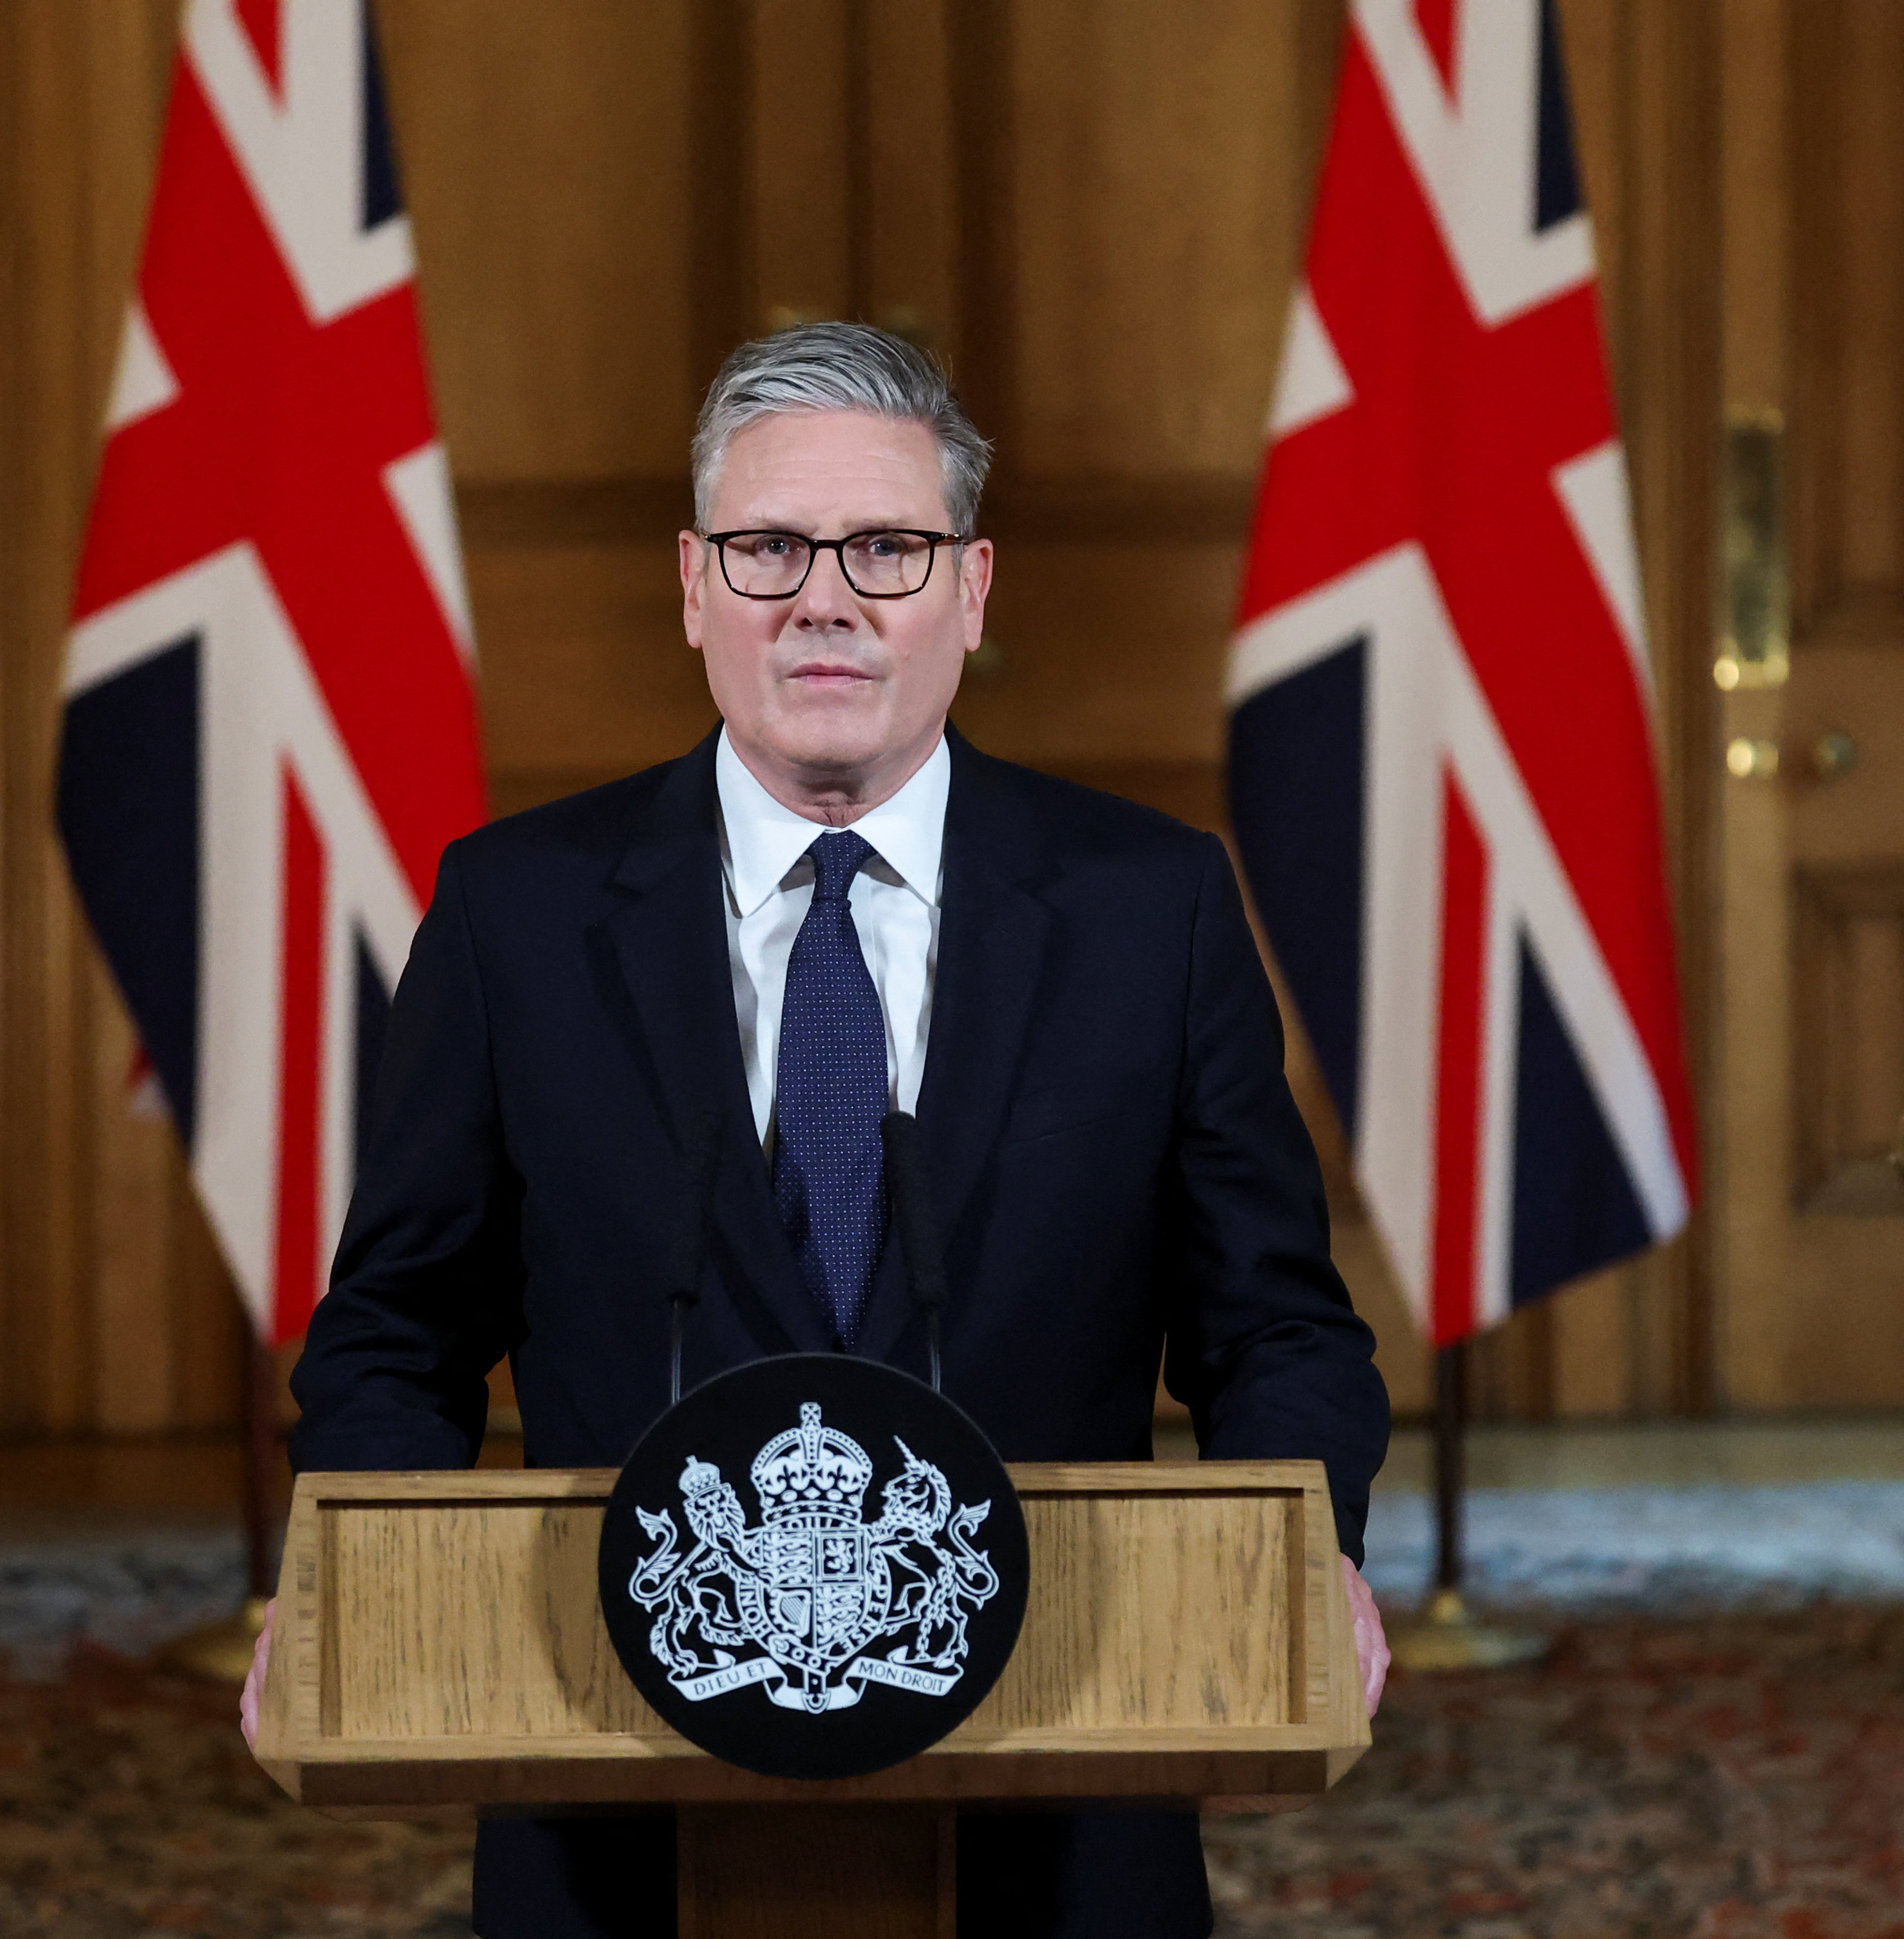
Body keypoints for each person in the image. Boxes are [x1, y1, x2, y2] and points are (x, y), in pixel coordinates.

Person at [279, 322, 1391, 1938]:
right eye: (765, 548)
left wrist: (1299, 1559)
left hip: (1063, 1744)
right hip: (615, 1764)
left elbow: (1276, 1324)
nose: (822, 597)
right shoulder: (511, 914)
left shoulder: (1152, 910)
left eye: (884, 546)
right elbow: (393, 1330)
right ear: (690, 587)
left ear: (971, 587)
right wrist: (354, 1585)